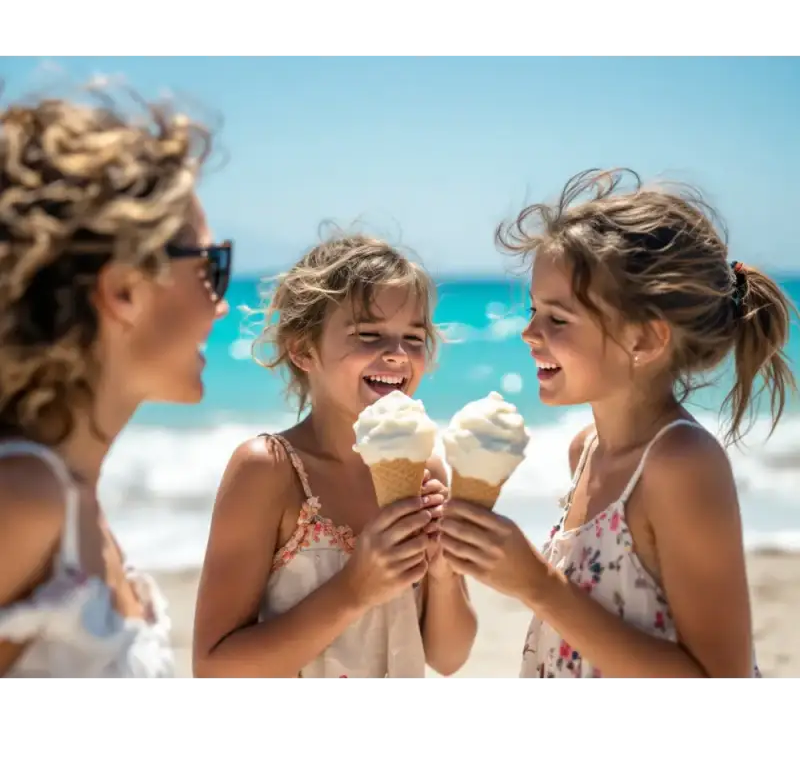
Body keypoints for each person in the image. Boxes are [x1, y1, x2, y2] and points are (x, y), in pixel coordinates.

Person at [440, 168, 795, 679]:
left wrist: (537, 585)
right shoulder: (584, 450)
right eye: (534, 309)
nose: (528, 333)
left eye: (557, 319)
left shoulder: (680, 464)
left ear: (646, 340)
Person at [0, 87, 231, 678]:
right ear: (124, 290)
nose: (221, 307)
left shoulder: (72, 499)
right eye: (211, 269)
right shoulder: (25, 499)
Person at [193, 233, 478, 678]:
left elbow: (448, 656)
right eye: (368, 334)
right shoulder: (269, 469)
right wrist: (354, 590)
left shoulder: (426, 469)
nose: (397, 354)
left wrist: (443, 572)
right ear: (303, 349)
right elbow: (214, 667)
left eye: (414, 337)